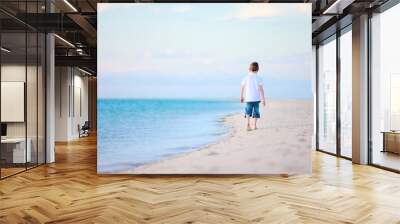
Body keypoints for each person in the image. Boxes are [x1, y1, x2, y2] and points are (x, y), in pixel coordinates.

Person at [240, 62, 266, 131]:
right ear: (258, 69)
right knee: (256, 112)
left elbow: (242, 87)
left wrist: (241, 96)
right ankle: (254, 125)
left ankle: (248, 124)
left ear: (249, 69)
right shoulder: (259, 78)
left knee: (248, 112)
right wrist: (263, 99)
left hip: (248, 98)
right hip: (256, 98)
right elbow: (261, 89)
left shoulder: (246, 77)